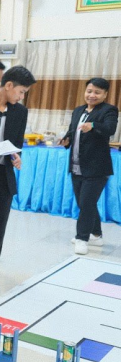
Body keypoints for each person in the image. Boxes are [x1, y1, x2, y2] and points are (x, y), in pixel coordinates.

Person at [0, 66, 36, 295]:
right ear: (8, 85)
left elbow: (16, 143)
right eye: (21, 92)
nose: (21, 97)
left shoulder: (20, 112)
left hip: (3, 178)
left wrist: (16, 157)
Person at [60, 78, 119, 255]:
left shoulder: (109, 110)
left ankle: (82, 238)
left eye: (97, 92)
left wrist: (92, 126)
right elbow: (72, 130)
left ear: (105, 94)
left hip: (96, 167)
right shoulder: (78, 110)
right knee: (85, 203)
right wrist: (66, 139)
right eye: (89, 91)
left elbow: (109, 129)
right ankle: (96, 234)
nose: (92, 95)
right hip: (77, 165)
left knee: (86, 204)